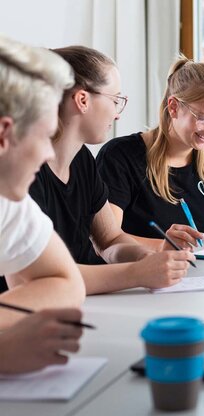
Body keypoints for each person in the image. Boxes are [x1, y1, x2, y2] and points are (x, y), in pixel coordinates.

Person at [29, 45, 195, 295]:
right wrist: (137, 273)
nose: (118, 115)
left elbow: (110, 240)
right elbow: (47, 277)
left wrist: (147, 257)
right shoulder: (25, 173)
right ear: (83, 100)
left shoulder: (82, 159)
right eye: (116, 100)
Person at [96, 55, 204, 249]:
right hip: (134, 273)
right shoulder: (120, 156)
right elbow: (105, 241)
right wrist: (164, 246)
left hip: (196, 274)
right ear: (173, 107)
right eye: (203, 118)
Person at [0, 35, 86, 372]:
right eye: (46, 136)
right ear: (5, 134)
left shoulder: (8, 202)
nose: (50, 152)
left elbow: (66, 282)